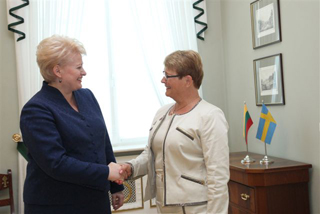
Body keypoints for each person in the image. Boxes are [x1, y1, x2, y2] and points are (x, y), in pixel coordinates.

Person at [20, 35, 125, 214]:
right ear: (57, 71)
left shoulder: (87, 96)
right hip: (56, 205)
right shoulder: (36, 109)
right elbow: (56, 164)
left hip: (95, 201)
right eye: (78, 67)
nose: (84, 72)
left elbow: (103, 141)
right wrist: (106, 173)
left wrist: (116, 186)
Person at [120, 50, 230, 213]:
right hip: (164, 208)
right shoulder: (162, 113)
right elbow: (151, 154)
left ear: (187, 80)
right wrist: (131, 167)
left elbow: (218, 177)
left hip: (196, 209)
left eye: (168, 76)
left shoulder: (210, 116)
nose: (163, 80)